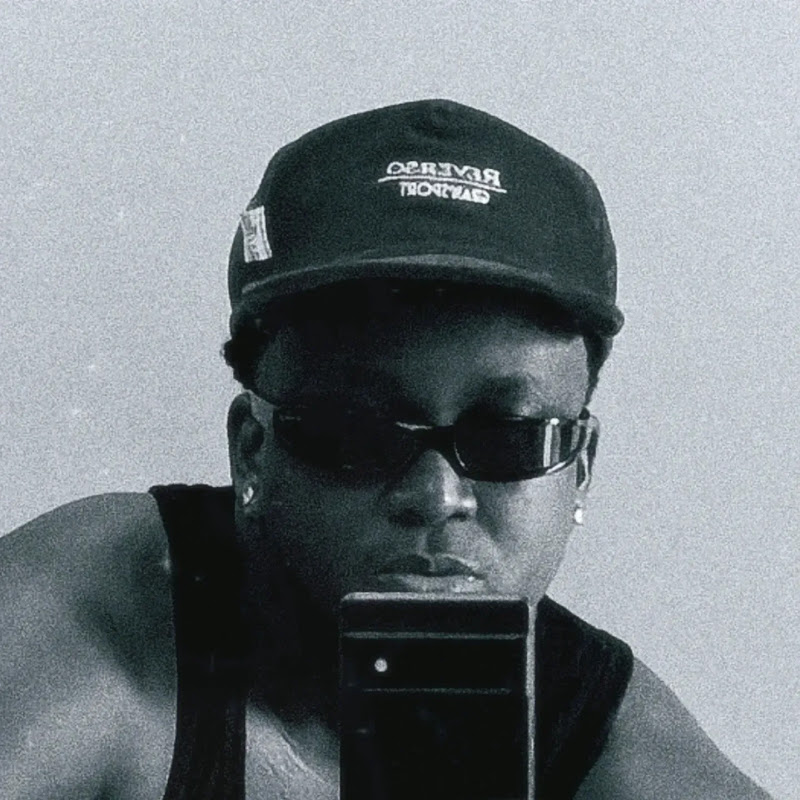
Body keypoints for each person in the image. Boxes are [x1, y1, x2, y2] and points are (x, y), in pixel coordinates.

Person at [0, 99, 773, 799]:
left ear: (580, 467)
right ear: (251, 452)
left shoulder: (611, 740)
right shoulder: (92, 617)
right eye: (357, 433)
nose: (437, 496)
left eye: (506, 437)